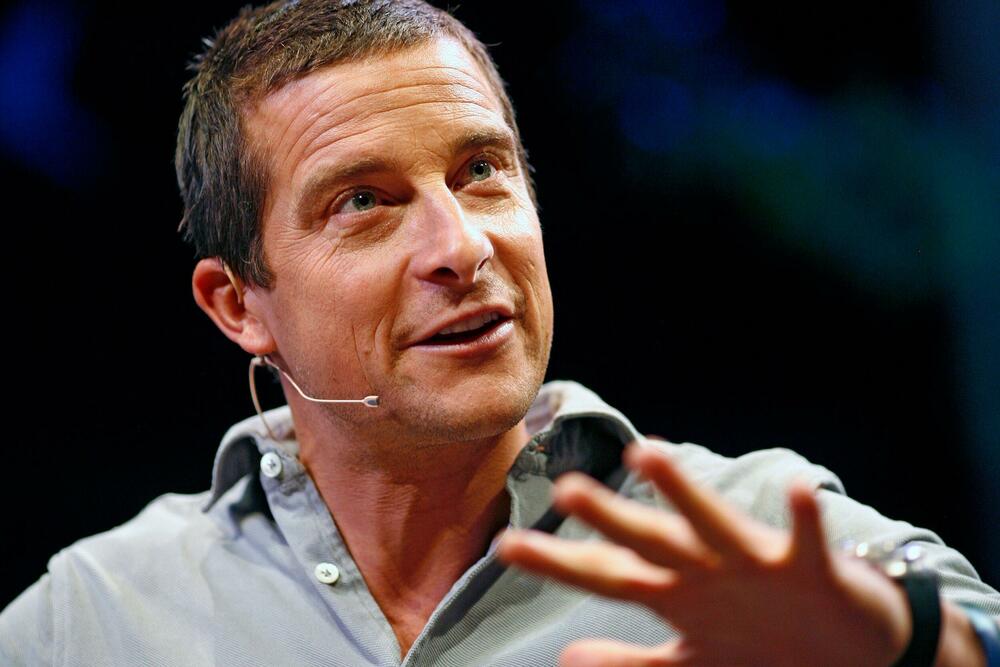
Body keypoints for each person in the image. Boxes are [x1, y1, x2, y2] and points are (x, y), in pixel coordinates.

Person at [2, 1, 999, 665]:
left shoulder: (749, 536)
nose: (461, 246)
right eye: (363, 201)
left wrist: (901, 643)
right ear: (238, 305)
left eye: (481, 172)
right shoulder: (94, 615)